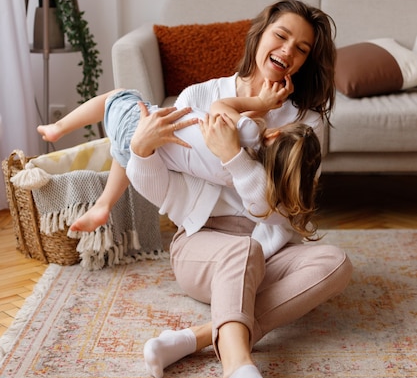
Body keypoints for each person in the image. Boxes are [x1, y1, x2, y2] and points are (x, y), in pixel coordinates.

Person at [126, 0, 354, 378]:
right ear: (261, 35)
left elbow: (284, 209)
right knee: (240, 252)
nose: (289, 51)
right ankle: (238, 375)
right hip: (201, 246)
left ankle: (194, 339)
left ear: (306, 62)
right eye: (282, 36)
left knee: (335, 263)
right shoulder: (202, 96)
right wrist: (140, 151)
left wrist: (234, 159)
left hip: (271, 245)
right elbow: (164, 186)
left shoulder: (304, 119)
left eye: (302, 49)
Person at [37, 79, 322, 257]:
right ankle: (103, 204)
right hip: (151, 150)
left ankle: (58, 127)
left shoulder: (247, 131)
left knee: (118, 94)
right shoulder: (239, 174)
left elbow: (222, 105)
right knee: (122, 153)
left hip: (147, 126)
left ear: (273, 134)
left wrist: (259, 104)